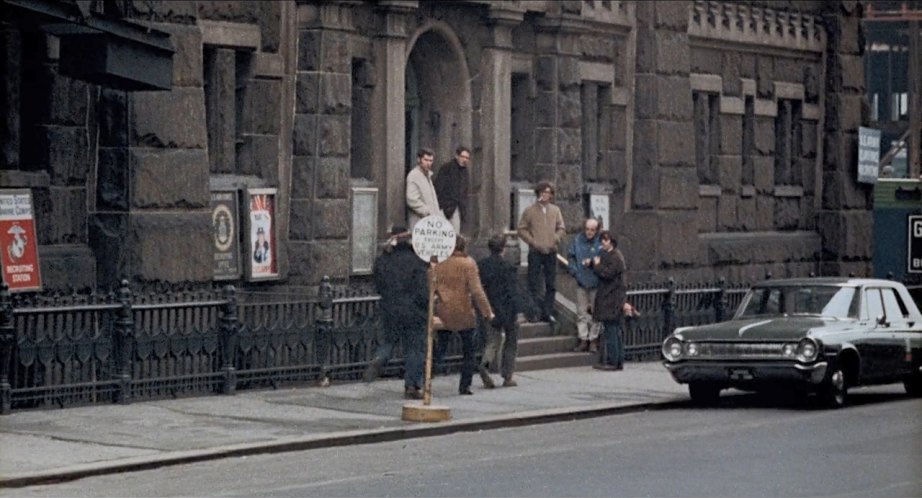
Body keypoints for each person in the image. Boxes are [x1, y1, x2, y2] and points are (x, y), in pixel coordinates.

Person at [363, 226, 429, 399]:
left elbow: (378, 284)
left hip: (390, 308)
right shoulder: (417, 261)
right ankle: (412, 385)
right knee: (415, 348)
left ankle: (380, 358)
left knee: (388, 342)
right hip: (414, 311)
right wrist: (428, 305)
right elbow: (423, 289)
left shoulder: (383, 261)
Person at [433, 235, 495, 395]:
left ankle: (426, 376)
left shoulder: (438, 262)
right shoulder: (468, 263)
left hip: (442, 309)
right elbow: (476, 291)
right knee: (469, 350)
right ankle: (464, 385)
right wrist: (487, 311)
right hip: (464, 310)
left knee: (440, 347)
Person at [476, 233, 523, 388]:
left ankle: (485, 363)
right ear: (503, 249)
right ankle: (507, 376)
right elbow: (514, 291)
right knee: (511, 342)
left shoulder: (482, 265)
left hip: (490, 307)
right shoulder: (508, 267)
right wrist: (520, 310)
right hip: (508, 309)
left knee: (493, 341)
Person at [517, 181, 566, 323]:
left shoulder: (555, 210)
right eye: (543, 192)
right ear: (538, 193)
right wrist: (533, 242)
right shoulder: (530, 211)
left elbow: (561, 227)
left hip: (551, 251)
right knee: (533, 282)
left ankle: (548, 312)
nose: (546, 195)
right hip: (535, 252)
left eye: (549, 192)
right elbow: (521, 229)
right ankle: (533, 312)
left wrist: (555, 238)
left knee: (551, 284)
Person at [591, 230, 627, 371]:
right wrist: (593, 264)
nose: (603, 243)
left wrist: (597, 265)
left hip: (612, 298)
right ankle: (616, 361)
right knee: (613, 330)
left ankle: (613, 361)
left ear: (611, 241)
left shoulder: (616, 256)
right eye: (602, 240)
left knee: (612, 330)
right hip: (610, 297)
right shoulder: (608, 255)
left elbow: (607, 273)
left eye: (606, 240)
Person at [567, 217, 602, 353]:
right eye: (587, 229)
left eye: (592, 230)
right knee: (581, 312)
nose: (589, 232)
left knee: (595, 313)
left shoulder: (600, 241)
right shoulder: (577, 240)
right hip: (581, 280)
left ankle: (593, 339)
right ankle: (583, 339)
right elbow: (571, 257)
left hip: (596, 281)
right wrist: (575, 272)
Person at [433, 146, 471, 234]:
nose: (465, 160)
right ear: (456, 156)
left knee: (454, 234)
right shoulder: (446, 168)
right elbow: (439, 187)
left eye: (467, 158)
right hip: (444, 206)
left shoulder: (465, 172)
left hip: (457, 207)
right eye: (463, 157)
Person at [405, 148, 440, 230]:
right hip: (420, 222)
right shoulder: (414, 175)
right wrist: (428, 212)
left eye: (430, 161)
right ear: (419, 160)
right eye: (426, 160)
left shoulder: (427, 175)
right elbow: (412, 199)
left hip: (430, 222)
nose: (428, 163)